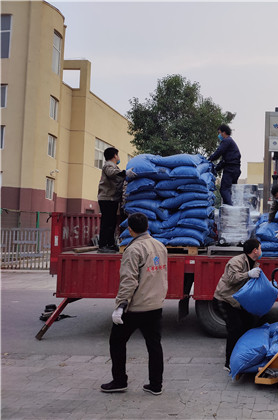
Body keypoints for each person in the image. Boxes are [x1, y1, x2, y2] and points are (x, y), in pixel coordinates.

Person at [100, 212, 168, 395]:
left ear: (130, 230)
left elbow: (128, 281)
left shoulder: (133, 250)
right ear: (147, 226)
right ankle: (156, 385)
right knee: (154, 346)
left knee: (117, 341)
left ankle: (119, 381)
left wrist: (121, 305)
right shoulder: (160, 246)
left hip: (136, 307)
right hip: (155, 305)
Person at [213, 238, 262, 373]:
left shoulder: (254, 263)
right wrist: (248, 274)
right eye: (260, 248)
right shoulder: (236, 261)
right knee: (235, 328)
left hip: (237, 301)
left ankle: (243, 355)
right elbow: (231, 279)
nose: (261, 251)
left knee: (250, 322)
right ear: (255, 251)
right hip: (224, 300)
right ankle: (229, 362)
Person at [97, 147, 135, 253]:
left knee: (112, 222)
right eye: (118, 155)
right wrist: (125, 173)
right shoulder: (108, 165)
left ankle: (110, 244)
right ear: (115, 155)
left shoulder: (114, 166)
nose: (118, 157)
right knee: (107, 223)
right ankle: (103, 245)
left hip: (112, 198)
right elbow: (112, 173)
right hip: (107, 198)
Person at [209, 124, 241, 206]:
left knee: (224, 189)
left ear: (224, 132)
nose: (219, 135)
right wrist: (216, 169)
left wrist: (209, 159)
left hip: (230, 169)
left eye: (219, 133)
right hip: (235, 169)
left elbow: (219, 152)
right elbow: (224, 161)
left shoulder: (226, 141)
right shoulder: (230, 142)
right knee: (230, 191)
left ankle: (230, 209)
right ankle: (230, 207)